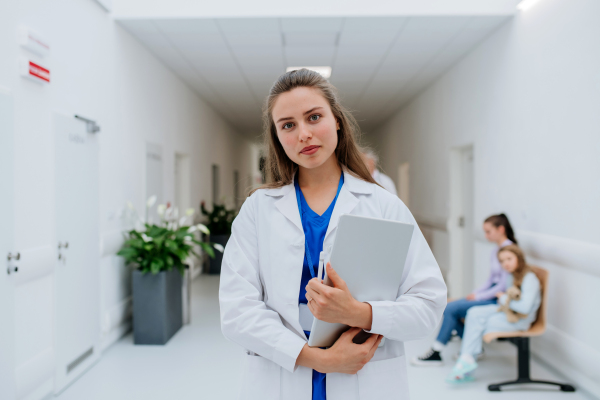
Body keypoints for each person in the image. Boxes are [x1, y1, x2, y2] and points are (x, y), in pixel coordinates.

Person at [219, 69, 447, 400]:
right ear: (277, 136)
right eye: (288, 125)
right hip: (282, 372)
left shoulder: (383, 205)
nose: (304, 134)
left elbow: (428, 307)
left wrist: (358, 313)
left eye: (314, 117)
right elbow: (237, 311)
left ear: (337, 120)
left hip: (365, 375)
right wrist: (321, 360)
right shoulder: (258, 210)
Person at [411, 213, 517, 366]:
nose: (486, 235)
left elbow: (503, 286)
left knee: (450, 308)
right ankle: (475, 349)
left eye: (488, 231)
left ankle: (436, 352)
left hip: (498, 298)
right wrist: (476, 293)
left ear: (501, 229)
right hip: (490, 294)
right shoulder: (497, 250)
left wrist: (480, 297)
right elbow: (490, 280)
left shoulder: (509, 252)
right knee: (451, 306)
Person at [446, 244, 541, 383]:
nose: (505, 263)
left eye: (509, 258)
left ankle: (466, 363)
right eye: (502, 261)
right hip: (508, 312)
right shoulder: (511, 275)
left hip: (520, 320)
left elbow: (525, 308)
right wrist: (502, 299)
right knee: (473, 313)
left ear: (519, 258)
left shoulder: (529, 278)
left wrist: (502, 298)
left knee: (479, 323)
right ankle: (467, 359)